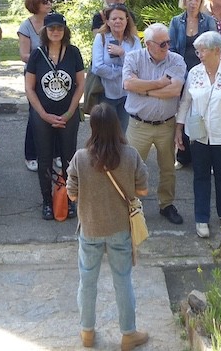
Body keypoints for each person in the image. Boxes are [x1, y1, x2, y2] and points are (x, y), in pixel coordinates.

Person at [67, 103, 150, 351]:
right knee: (122, 281)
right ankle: (128, 334)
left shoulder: (80, 158)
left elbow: (71, 195)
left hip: (90, 229)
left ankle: (87, 333)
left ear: (92, 127)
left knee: (87, 281)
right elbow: (143, 190)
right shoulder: (130, 155)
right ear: (117, 126)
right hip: (120, 230)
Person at [176, 31, 221, 238]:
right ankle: (201, 218)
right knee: (200, 177)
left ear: (217, 51)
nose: (198, 54)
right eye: (197, 50)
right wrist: (178, 129)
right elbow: (185, 103)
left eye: (202, 50)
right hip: (198, 135)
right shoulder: (194, 72)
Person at [122, 22, 187, 227]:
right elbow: (128, 84)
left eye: (168, 42)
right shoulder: (133, 57)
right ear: (148, 44)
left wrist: (144, 90)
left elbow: (175, 91)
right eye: (162, 44)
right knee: (131, 167)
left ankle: (166, 204)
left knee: (168, 168)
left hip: (166, 125)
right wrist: (159, 83)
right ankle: (130, 207)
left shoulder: (176, 60)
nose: (167, 47)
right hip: (139, 125)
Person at [24, 12, 85, 220]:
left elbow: (80, 85)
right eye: (51, 29)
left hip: (68, 114)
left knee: (69, 159)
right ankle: (47, 201)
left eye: (59, 28)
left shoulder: (74, 53)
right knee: (45, 159)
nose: (56, 32)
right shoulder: (37, 54)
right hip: (42, 115)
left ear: (65, 30)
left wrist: (69, 113)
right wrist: (43, 114)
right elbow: (30, 88)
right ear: (45, 31)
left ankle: (69, 199)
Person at [168, 0, 217, 168]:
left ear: (201, 1)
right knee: (183, 112)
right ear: (184, 0)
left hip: (204, 73)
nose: (193, 2)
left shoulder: (208, 21)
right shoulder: (175, 21)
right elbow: (171, 49)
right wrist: (178, 72)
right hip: (182, 73)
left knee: (203, 113)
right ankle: (182, 155)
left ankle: (204, 157)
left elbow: (214, 46)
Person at [18, 0, 54, 172]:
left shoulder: (55, 21)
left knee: (56, 111)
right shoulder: (26, 26)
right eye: (44, 1)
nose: (49, 3)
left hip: (55, 75)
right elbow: (24, 55)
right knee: (36, 115)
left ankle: (55, 153)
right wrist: (44, 57)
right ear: (35, 4)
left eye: (49, 0)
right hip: (34, 75)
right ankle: (31, 154)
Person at [91, 3, 140, 134]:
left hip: (127, 95)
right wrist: (122, 71)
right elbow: (97, 67)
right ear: (107, 21)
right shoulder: (101, 38)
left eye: (121, 18)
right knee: (106, 134)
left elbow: (138, 66)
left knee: (123, 134)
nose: (117, 21)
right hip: (106, 93)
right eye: (114, 19)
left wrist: (122, 53)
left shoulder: (134, 41)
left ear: (127, 20)